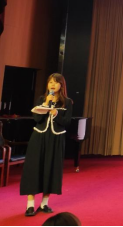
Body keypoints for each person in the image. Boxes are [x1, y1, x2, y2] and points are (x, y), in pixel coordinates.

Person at [20, 73, 73, 217]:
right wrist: (45, 105)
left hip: (56, 139)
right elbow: (36, 118)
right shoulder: (41, 99)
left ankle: (44, 203)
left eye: (55, 82)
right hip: (39, 137)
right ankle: (30, 205)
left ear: (61, 85)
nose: (52, 85)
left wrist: (56, 114)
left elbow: (67, 122)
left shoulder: (67, 102)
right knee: (33, 168)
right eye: (50, 82)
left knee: (51, 168)